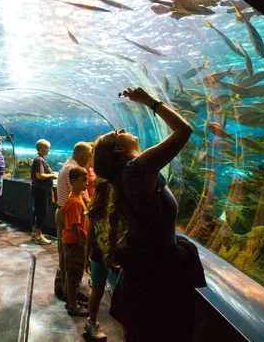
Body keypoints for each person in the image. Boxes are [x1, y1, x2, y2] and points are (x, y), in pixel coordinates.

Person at [93, 87, 205, 341]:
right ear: (119, 150)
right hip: (158, 281)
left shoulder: (132, 175)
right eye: (117, 134)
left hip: (147, 276)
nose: (122, 130)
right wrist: (149, 102)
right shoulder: (135, 170)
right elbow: (184, 130)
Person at [55, 141, 93, 301]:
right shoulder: (73, 169)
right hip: (69, 217)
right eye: (90, 155)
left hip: (65, 214)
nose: (91, 158)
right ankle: (70, 295)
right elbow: (81, 195)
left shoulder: (69, 164)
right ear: (83, 155)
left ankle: (63, 289)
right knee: (70, 258)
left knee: (65, 255)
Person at [83, 178, 120, 340]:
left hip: (115, 258)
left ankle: (93, 321)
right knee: (97, 291)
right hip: (99, 257)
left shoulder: (117, 210)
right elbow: (90, 236)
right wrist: (87, 258)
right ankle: (92, 321)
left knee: (100, 292)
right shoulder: (95, 212)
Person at [61, 166, 89, 317]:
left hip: (70, 242)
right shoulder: (75, 202)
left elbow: (61, 213)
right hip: (74, 244)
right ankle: (73, 305)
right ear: (73, 181)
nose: (86, 183)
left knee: (74, 273)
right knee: (74, 275)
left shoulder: (74, 197)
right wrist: (80, 241)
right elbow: (74, 225)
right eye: (83, 180)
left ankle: (73, 299)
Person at [30, 139, 58, 245]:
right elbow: (40, 175)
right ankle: (39, 235)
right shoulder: (39, 160)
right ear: (40, 148)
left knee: (36, 211)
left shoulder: (38, 158)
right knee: (41, 212)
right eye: (47, 148)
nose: (48, 150)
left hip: (38, 189)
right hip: (41, 189)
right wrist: (52, 175)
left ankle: (35, 233)